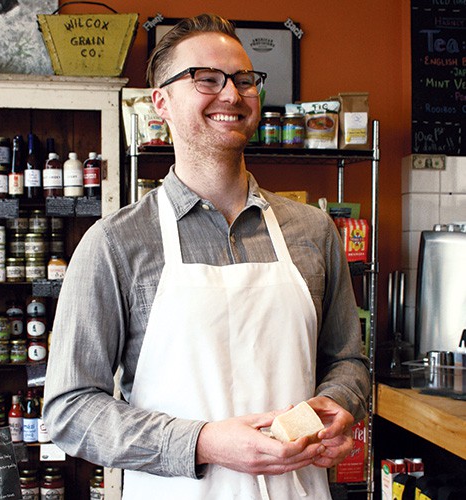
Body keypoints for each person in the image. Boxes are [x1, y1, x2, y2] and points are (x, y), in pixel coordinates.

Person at [43, 13, 370, 499]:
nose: (233, 95)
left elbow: (348, 359)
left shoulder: (313, 230)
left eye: (244, 80)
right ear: (163, 102)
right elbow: (70, 410)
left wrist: (339, 402)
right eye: (206, 80)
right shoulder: (115, 242)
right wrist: (204, 442)